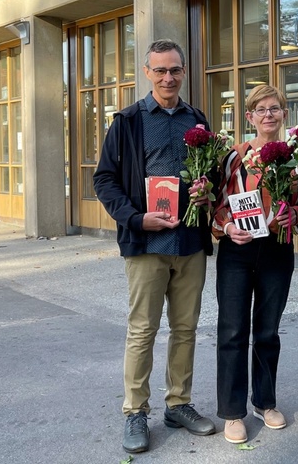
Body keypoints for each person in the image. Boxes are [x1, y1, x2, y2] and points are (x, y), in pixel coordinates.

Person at [93, 39, 217, 454]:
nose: (168, 78)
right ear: (147, 73)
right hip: (146, 243)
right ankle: (135, 412)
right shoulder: (127, 121)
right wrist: (134, 218)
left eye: (175, 70)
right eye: (160, 70)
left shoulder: (198, 120)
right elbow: (104, 180)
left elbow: (211, 173)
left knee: (185, 329)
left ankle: (178, 404)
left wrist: (207, 192)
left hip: (189, 242)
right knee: (143, 330)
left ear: (184, 72)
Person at [211, 85, 298, 444]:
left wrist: (296, 217)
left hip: (276, 250)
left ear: (285, 114)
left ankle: (265, 402)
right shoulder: (232, 158)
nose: (268, 115)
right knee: (232, 331)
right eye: (261, 109)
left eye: (275, 109)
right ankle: (232, 411)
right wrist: (225, 226)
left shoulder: (295, 161)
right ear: (249, 117)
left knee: (268, 331)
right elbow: (214, 203)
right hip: (236, 252)